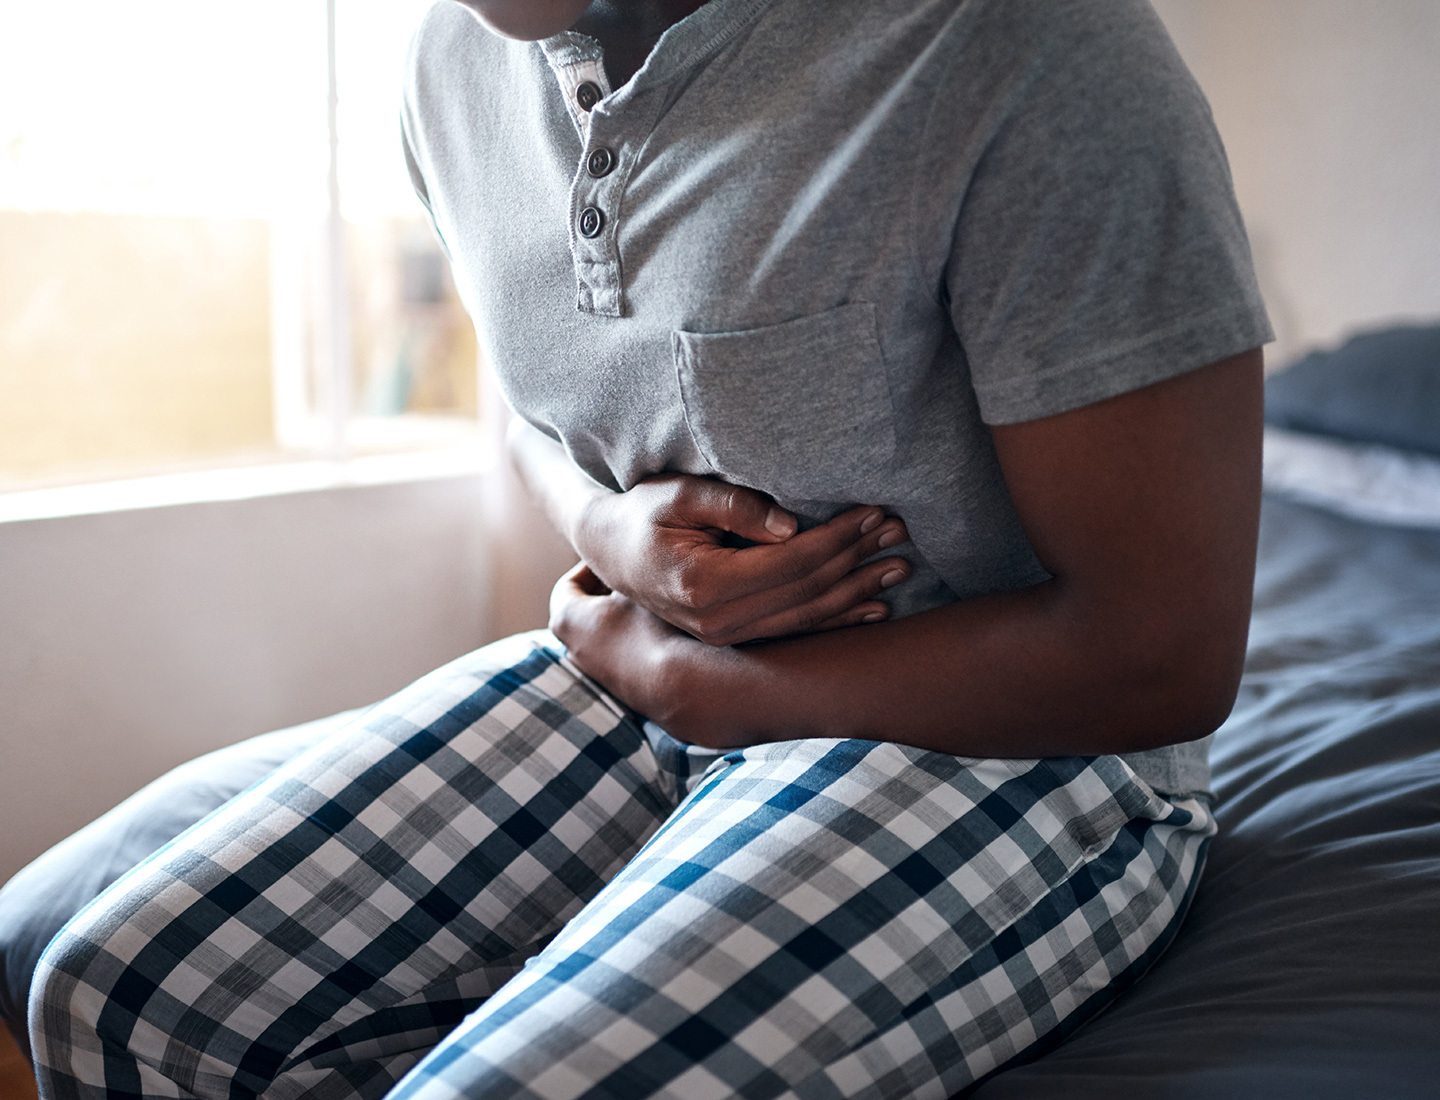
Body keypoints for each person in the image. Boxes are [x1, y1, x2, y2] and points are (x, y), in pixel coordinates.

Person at [30, 0, 1272, 1097]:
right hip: (649, 684)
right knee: (114, 999)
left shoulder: (1019, 46)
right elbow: (532, 408)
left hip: (1018, 748)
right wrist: (607, 529)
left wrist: (693, 681)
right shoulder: (448, 68)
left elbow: (1162, 650)